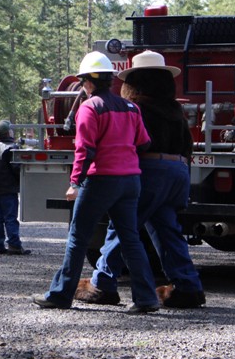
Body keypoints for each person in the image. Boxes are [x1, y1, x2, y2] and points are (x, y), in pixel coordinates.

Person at [31, 51, 160, 314]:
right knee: (131, 239)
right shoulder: (131, 107)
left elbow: (85, 149)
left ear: (88, 81)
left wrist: (75, 182)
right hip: (130, 181)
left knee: (78, 238)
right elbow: (144, 142)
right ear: (110, 80)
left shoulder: (90, 108)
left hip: (101, 180)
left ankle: (60, 295)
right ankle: (146, 299)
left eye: (82, 81)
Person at [83, 50, 205, 308]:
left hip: (149, 170)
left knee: (122, 226)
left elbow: (133, 144)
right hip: (178, 172)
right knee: (167, 229)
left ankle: (103, 284)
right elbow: (188, 145)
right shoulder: (177, 111)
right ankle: (187, 286)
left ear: (133, 83)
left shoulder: (135, 109)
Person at [0, 120, 30, 255]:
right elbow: (16, 168)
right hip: (9, 189)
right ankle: (14, 244)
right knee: (10, 217)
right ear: (8, 132)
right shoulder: (12, 149)